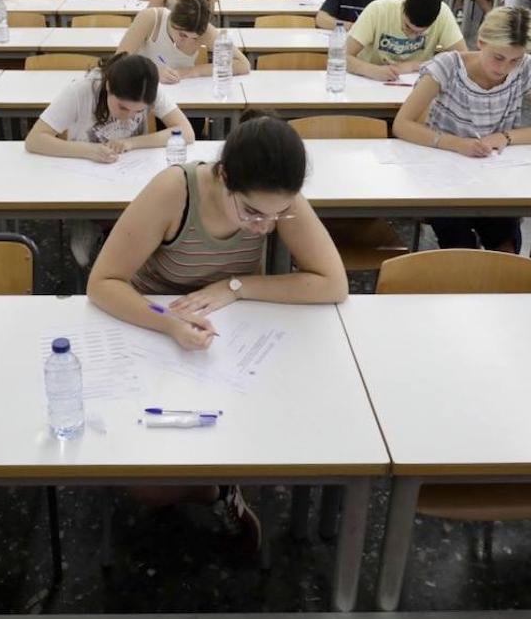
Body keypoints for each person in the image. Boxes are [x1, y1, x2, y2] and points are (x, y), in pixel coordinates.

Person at [86, 112, 347, 554]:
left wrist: (235, 287)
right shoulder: (175, 191)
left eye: (277, 215)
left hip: (235, 337)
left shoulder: (278, 198)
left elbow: (333, 283)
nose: (264, 226)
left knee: (276, 433)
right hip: (153, 324)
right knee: (148, 487)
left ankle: (218, 482)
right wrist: (168, 322)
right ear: (224, 176)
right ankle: (216, 491)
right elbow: (102, 284)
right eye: (251, 212)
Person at [393, 6, 531, 252]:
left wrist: (506, 137)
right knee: (460, 248)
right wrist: (457, 144)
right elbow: (402, 124)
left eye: (514, 60)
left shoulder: (526, 67)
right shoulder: (448, 66)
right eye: (498, 57)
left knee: (507, 247)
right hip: (443, 177)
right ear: (481, 42)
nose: (505, 68)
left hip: (492, 178)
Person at [25, 53, 194, 161]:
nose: (128, 117)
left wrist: (131, 142)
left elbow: (186, 132)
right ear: (108, 87)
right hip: (83, 172)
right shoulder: (81, 90)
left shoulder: (149, 88)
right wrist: (89, 151)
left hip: (132, 170)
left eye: (139, 111)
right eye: (123, 108)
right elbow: (34, 140)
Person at [118, 0, 250, 84]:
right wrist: (153, 72)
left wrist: (193, 71)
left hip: (182, 93)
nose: (186, 41)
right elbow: (118, 62)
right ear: (171, 19)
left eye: (194, 38)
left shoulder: (204, 30)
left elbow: (243, 65)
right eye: (182, 35)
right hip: (144, 90)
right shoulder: (150, 18)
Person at [346, 0, 467, 81]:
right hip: (371, 82)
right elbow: (341, 57)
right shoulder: (377, 10)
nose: (412, 36)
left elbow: (463, 61)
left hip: (416, 86)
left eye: (420, 33)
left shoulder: (443, 13)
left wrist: (415, 66)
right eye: (407, 27)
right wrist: (372, 70)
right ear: (402, 6)